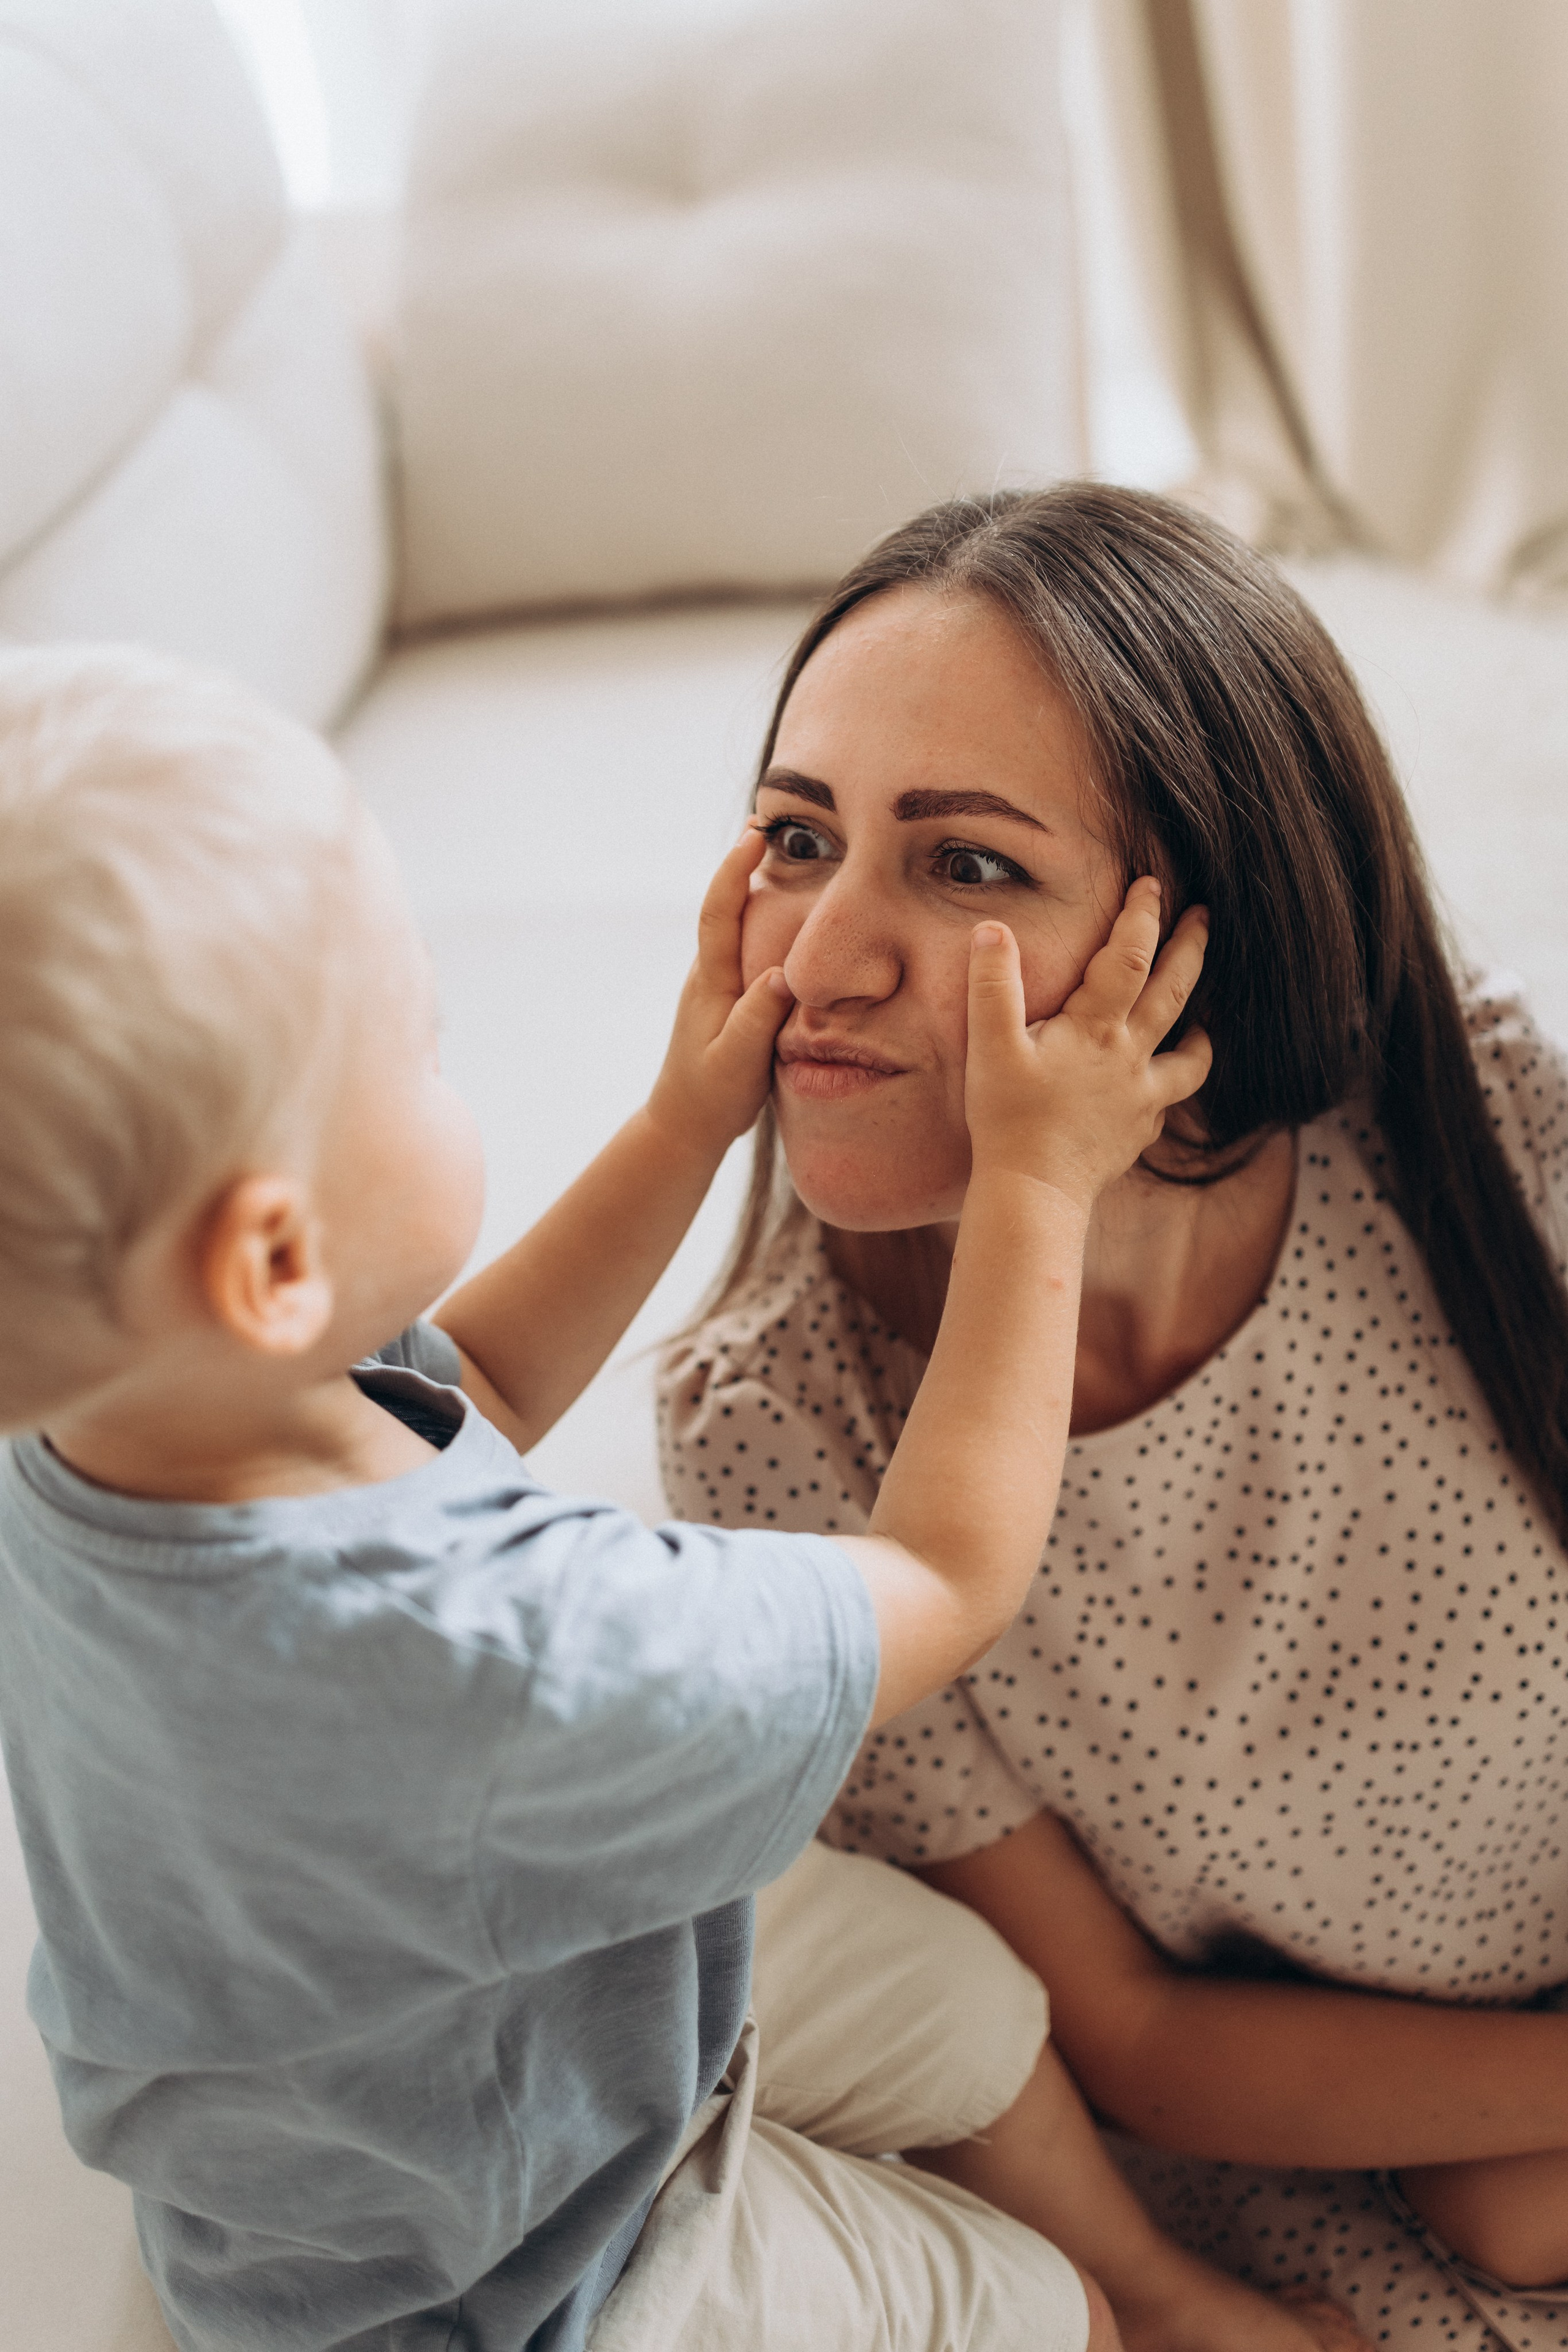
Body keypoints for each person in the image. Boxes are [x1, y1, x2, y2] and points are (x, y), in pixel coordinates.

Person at [0, 641, 1344, 2352]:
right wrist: (1036, 1182)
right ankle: (1117, 2317)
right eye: (422, 1043)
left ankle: (1166, 2288)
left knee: (970, 2009)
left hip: (447, 2013)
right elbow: (941, 1572)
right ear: (272, 1255)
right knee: (1036, 2306)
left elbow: (459, 1398)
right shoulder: (526, 1658)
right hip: (525, 2267)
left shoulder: (112, 1425)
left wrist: (683, 1118)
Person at [660, 484, 1568, 2351]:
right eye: (797, 837)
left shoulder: (1486, 1131)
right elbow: (1129, 2042)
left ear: (1203, 946)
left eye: (968, 865)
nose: (820, 960)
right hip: (1348, 2138)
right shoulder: (782, 1433)